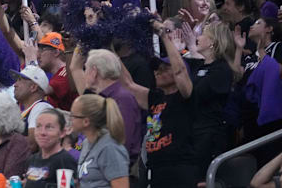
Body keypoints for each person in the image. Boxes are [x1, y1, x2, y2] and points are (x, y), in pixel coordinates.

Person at [119, 22, 197, 188]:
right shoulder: (154, 98)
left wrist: (163, 35)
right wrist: (106, 46)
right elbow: (127, 84)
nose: (157, 71)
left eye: (164, 68)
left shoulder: (186, 96)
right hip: (154, 169)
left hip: (180, 169)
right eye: (156, 68)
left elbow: (180, 71)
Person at [69, 49, 142, 166]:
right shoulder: (99, 97)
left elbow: (123, 142)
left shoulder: (122, 98)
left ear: (94, 72)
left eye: (85, 69)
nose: (84, 73)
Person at [184, 21, 237, 180]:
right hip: (192, 132)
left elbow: (195, 94)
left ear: (213, 41)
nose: (198, 37)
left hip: (208, 136)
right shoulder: (199, 66)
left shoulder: (222, 70)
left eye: (202, 34)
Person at [70, 94, 129, 188]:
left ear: (86, 121)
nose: (70, 119)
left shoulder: (110, 148)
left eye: (73, 115)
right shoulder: (86, 143)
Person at [23, 109, 77, 188]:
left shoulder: (65, 161)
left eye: (49, 127)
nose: (42, 132)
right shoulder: (32, 159)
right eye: (38, 126)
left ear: (62, 133)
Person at [9, 55, 52, 150]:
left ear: (33, 87)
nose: (15, 85)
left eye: (20, 80)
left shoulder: (41, 107)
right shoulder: (23, 111)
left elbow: (32, 144)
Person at [34, 32, 76, 110]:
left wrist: (31, 61)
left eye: (42, 50)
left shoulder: (65, 73)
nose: (37, 55)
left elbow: (36, 91)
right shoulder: (58, 73)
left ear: (56, 52)